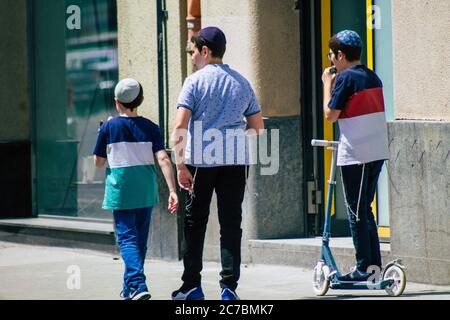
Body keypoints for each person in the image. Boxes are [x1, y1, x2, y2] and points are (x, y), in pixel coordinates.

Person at [170, 26, 264, 300]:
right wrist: (230, 136)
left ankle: (191, 286)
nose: (192, 57)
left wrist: (180, 165)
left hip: (200, 162)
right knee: (231, 223)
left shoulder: (194, 82)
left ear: (205, 51)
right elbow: (257, 127)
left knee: (194, 222)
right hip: (235, 162)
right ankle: (229, 288)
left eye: (193, 51)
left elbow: (179, 126)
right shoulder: (242, 82)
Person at [93, 78, 179, 300]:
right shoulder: (152, 128)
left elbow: (98, 163)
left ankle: (138, 285)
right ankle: (129, 289)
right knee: (139, 242)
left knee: (127, 241)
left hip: (121, 192)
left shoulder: (108, 127)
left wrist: (100, 134)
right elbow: (164, 159)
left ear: (117, 103)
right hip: (145, 191)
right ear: (141, 100)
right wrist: (172, 190)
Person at [321, 30, 389, 282]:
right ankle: (374, 268)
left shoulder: (345, 79)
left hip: (357, 153)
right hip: (376, 151)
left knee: (356, 212)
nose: (331, 61)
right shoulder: (373, 76)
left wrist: (327, 84)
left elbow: (330, 116)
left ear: (340, 55)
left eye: (331, 56)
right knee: (365, 210)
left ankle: (364, 268)